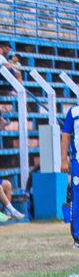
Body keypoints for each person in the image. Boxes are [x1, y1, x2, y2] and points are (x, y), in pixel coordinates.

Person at [60, 104, 79, 248]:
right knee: (77, 199)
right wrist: (63, 159)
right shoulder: (73, 111)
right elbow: (66, 136)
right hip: (78, 162)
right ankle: (78, 237)